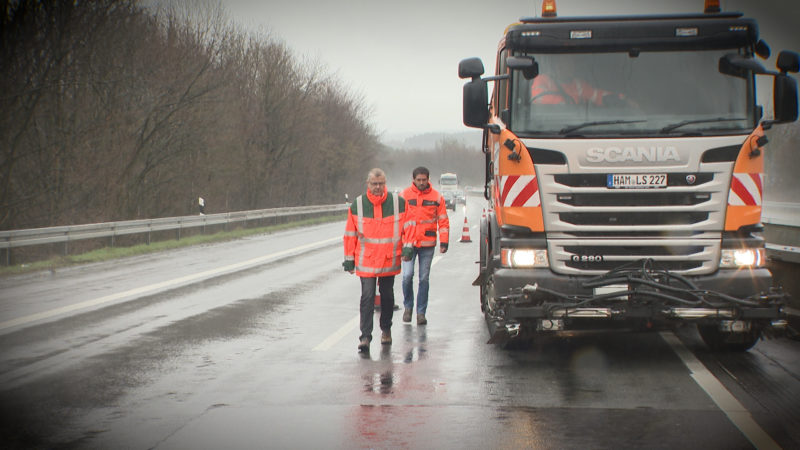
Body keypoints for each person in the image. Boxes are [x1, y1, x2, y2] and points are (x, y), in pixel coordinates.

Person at [343, 168, 415, 353]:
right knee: (367, 297)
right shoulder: (357, 205)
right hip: (366, 261)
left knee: (387, 296)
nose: (378, 187)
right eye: (374, 184)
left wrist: (408, 247)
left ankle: (386, 329)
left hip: (388, 260)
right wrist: (349, 259)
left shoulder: (398, 203)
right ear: (368, 184)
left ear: (385, 184)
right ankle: (365, 336)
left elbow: (410, 226)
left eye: (381, 184)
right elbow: (350, 235)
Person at [401, 167, 449, 326]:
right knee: (407, 276)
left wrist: (444, 241)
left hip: (427, 244)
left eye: (424, 180)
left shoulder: (436, 197)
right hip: (408, 243)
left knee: (423, 278)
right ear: (413, 179)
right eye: (418, 180)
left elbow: (443, 220)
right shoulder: (404, 196)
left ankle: (421, 313)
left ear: (428, 179)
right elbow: (398, 220)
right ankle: (408, 307)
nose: (421, 183)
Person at [530, 57, 627, 107]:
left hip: (575, 123)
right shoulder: (543, 79)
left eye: (570, 63)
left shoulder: (578, 84)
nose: (568, 66)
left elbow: (596, 95)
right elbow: (538, 98)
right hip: (550, 125)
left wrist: (621, 98)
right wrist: (571, 102)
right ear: (556, 66)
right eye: (564, 63)